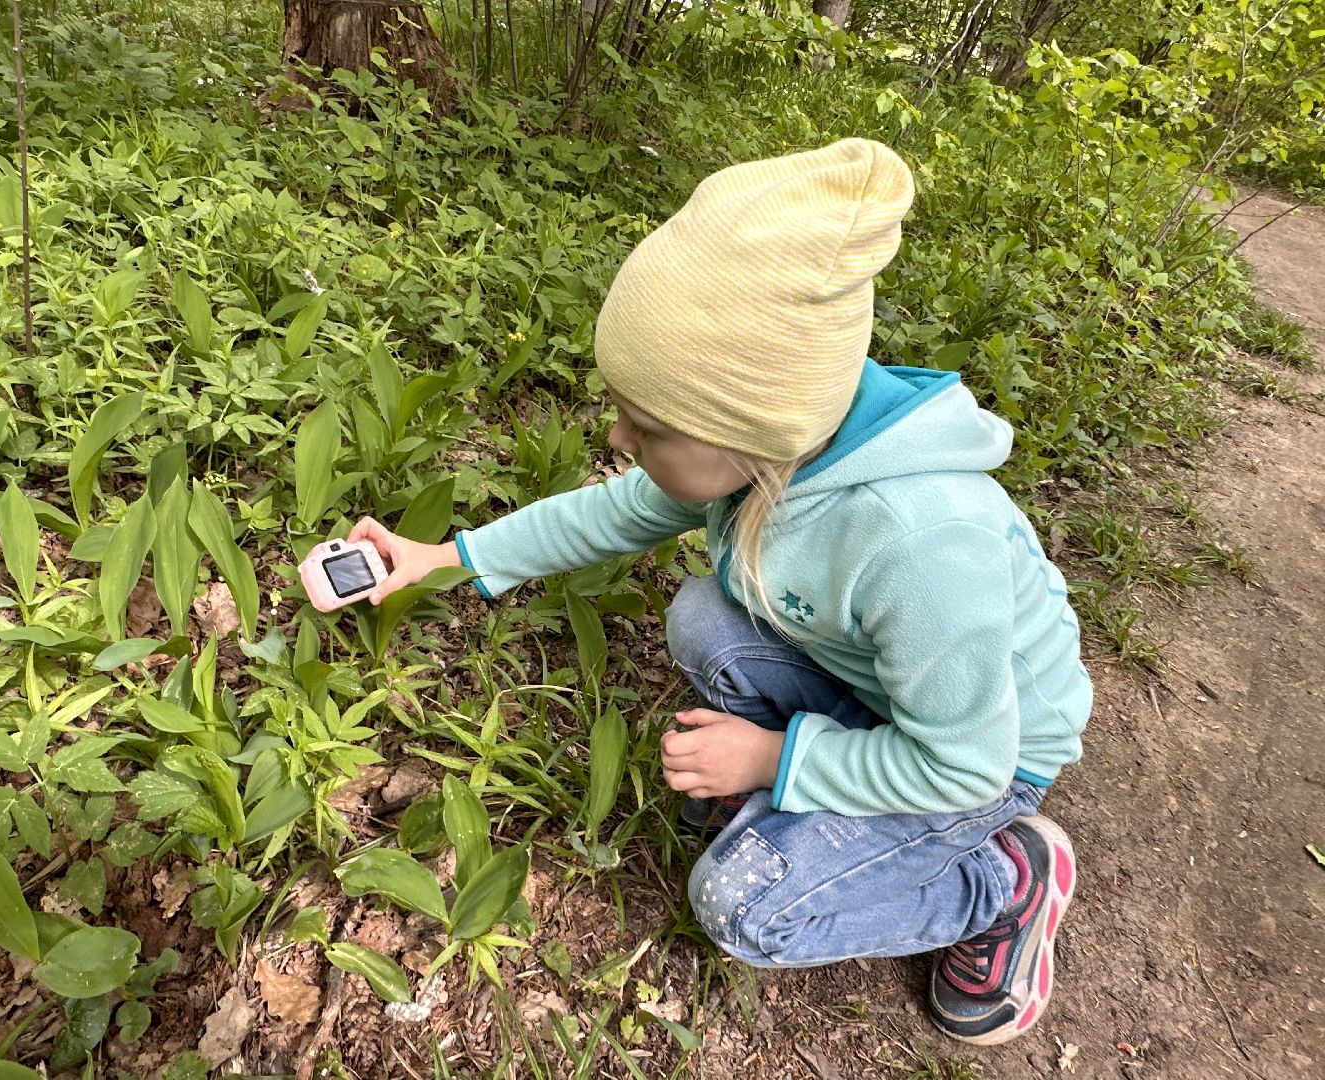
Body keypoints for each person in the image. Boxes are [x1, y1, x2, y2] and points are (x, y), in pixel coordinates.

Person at [346, 138, 1090, 1046]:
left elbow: (965, 761)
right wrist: (446, 557)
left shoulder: (920, 543)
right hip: (884, 691)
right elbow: (614, 513)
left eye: (649, 424)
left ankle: (1003, 885)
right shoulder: (774, 445)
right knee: (704, 614)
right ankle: (822, 775)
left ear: (752, 426)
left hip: (979, 757)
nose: (618, 433)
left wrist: (777, 760)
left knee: (746, 905)